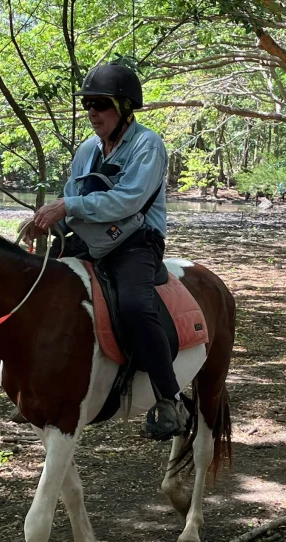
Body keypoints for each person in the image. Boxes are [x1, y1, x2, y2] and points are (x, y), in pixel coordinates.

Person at [29, 63, 187, 440]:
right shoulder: (87, 149)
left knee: (134, 304)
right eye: (88, 105)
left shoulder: (149, 145)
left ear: (125, 108)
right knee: (36, 292)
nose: (92, 112)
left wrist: (67, 208)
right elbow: (73, 194)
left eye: (100, 103)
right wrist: (51, 221)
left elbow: (129, 200)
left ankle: (169, 398)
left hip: (137, 240)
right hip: (86, 237)